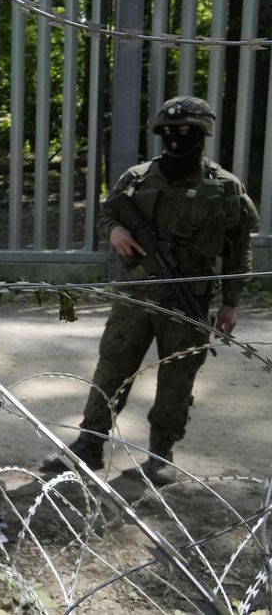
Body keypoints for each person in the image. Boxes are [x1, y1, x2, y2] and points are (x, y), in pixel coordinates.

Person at [40, 96, 258, 484]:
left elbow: (239, 249)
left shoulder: (224, 187)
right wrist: (116, 231)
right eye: (170, 132)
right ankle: (89, 445)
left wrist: (230, 304)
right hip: (134, 297)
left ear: (202, 134)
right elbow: (107, 214)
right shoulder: (137, 178)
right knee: (112, 370)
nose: (177, 138)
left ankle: (161, 453)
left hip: (188, 299)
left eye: (186, 131)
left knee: (177, 378)